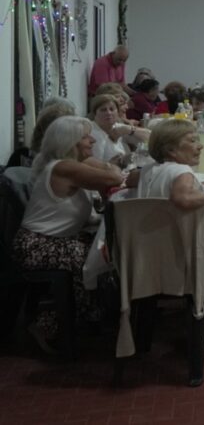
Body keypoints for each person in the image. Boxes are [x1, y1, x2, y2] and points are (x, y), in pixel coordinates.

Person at [13, 116, 125, 353]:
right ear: (70, 142)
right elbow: (116, 177)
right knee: (88, 256)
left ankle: (93, 315)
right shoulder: (64, 167)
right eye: (85, 137)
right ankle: (48, 325)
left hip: (50, 240)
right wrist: (108, 166)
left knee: (102, 248)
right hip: (36, 245)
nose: (92, 140)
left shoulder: (68, 165)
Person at [136, 119, 204, 333]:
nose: (200, 146)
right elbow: (182, 198)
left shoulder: (147, 170)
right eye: (192, 141)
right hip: (185, 254)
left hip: (150, 254)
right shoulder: (182, 172)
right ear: (171, 150)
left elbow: (130, 180)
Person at [88, 94, 149, 166]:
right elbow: (95, 166)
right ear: (95, 113)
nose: (109, 113)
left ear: (117, 112)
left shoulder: (116, 126)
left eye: (112, 109)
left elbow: (151, 138)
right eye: (103, 110)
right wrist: (121, 162)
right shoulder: (91, 132)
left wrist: (129, 129)